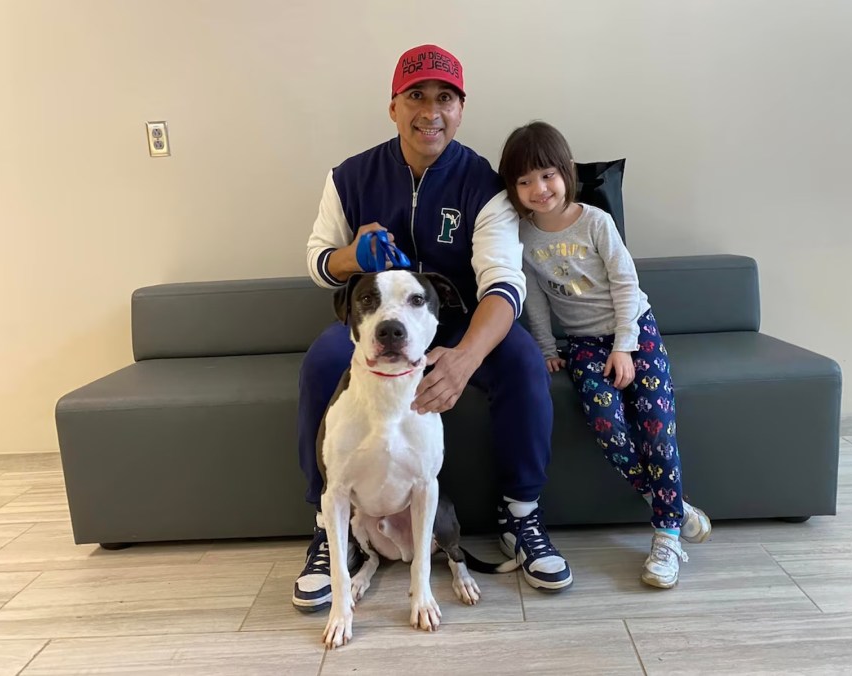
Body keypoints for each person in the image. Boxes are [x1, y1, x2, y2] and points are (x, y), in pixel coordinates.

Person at [293, 46, 573, 613]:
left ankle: (521, 515)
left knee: (521, 361)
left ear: (461, 108)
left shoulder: (484, 184)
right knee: (322, 362)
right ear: (393, 107)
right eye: (415, 96)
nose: (430, 110)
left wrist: (464, 357)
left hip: (457, 316)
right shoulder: (348, 177)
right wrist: (352, 255)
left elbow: (503, 283)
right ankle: (329, 528)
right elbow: (319, 260)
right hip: (377, 318)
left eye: (444, 97)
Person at [498, 121, 712, 588]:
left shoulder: (596, 221)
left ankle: (667, 535)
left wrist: (624, 346)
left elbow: (625, 283)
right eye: (524, 181)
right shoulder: (524, 237)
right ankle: (671, 502)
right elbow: (533, 296)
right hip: (579, 345)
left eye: (548, 175)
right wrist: (547, 346)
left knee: (656, 426)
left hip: (633, 331)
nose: (539, 189)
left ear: (567, 172)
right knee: (606, 425)